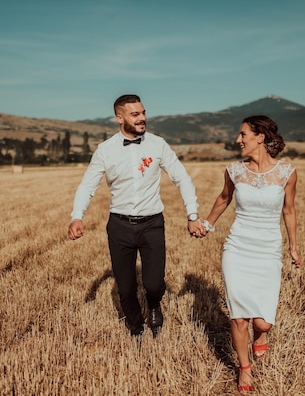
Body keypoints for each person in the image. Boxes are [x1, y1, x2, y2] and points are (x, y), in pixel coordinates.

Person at [68, 94, 207, 337]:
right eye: (135, 114)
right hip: (119, 225)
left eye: (143, 112)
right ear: (119, 118)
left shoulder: (158, 144)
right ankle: (136, 330)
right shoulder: (105, 150)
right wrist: (77, 216)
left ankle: (154, 304)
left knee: (154, 284)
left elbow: (181, 177)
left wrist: (192, 213)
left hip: (152, 224)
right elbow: (87, 186)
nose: (142, 118)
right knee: (126, 288)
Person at [202, 115, 301, 393]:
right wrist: (207, 225)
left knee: (263, 322)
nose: (238, 140)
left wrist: (293, 246)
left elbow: (289, 211)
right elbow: (223, 198)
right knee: (238, 317)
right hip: (237, 248)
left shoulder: (287, 173)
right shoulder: (234, 170)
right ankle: (244, 370)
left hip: (268, 251)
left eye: (243, 134)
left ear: (260, 137)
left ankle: (261, 335)